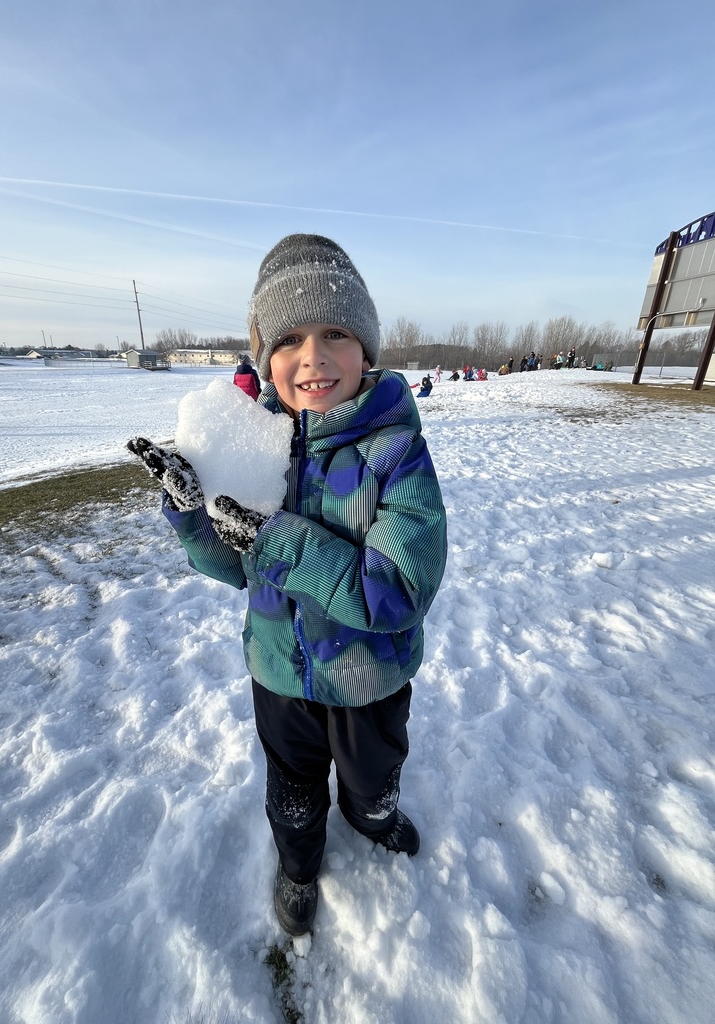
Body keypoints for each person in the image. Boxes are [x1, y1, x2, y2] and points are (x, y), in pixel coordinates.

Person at [127, 234, 447, 938]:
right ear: (266, 357)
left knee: (371, 773)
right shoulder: (257, 444)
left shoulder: (395, 451)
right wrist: (195, 517)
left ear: (367, 348)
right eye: (290, 338)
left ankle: (373, 815)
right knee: (293, 789)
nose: (314, 356)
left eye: (336, 332)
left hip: (369, 679)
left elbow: (397, 590)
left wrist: (277, 540)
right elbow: (235, 570)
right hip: (277, 670)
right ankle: (299, 865)